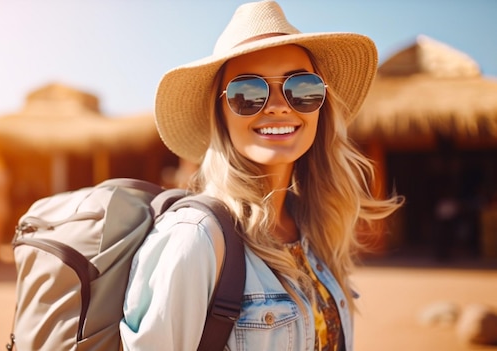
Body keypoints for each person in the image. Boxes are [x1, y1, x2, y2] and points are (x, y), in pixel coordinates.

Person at [120, 1, 403, 350]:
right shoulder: (195, 241)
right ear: (220, 114)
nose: (278, 105)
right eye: (247, 92)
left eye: (301, 87)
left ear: (321, 107)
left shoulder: (313, 227)